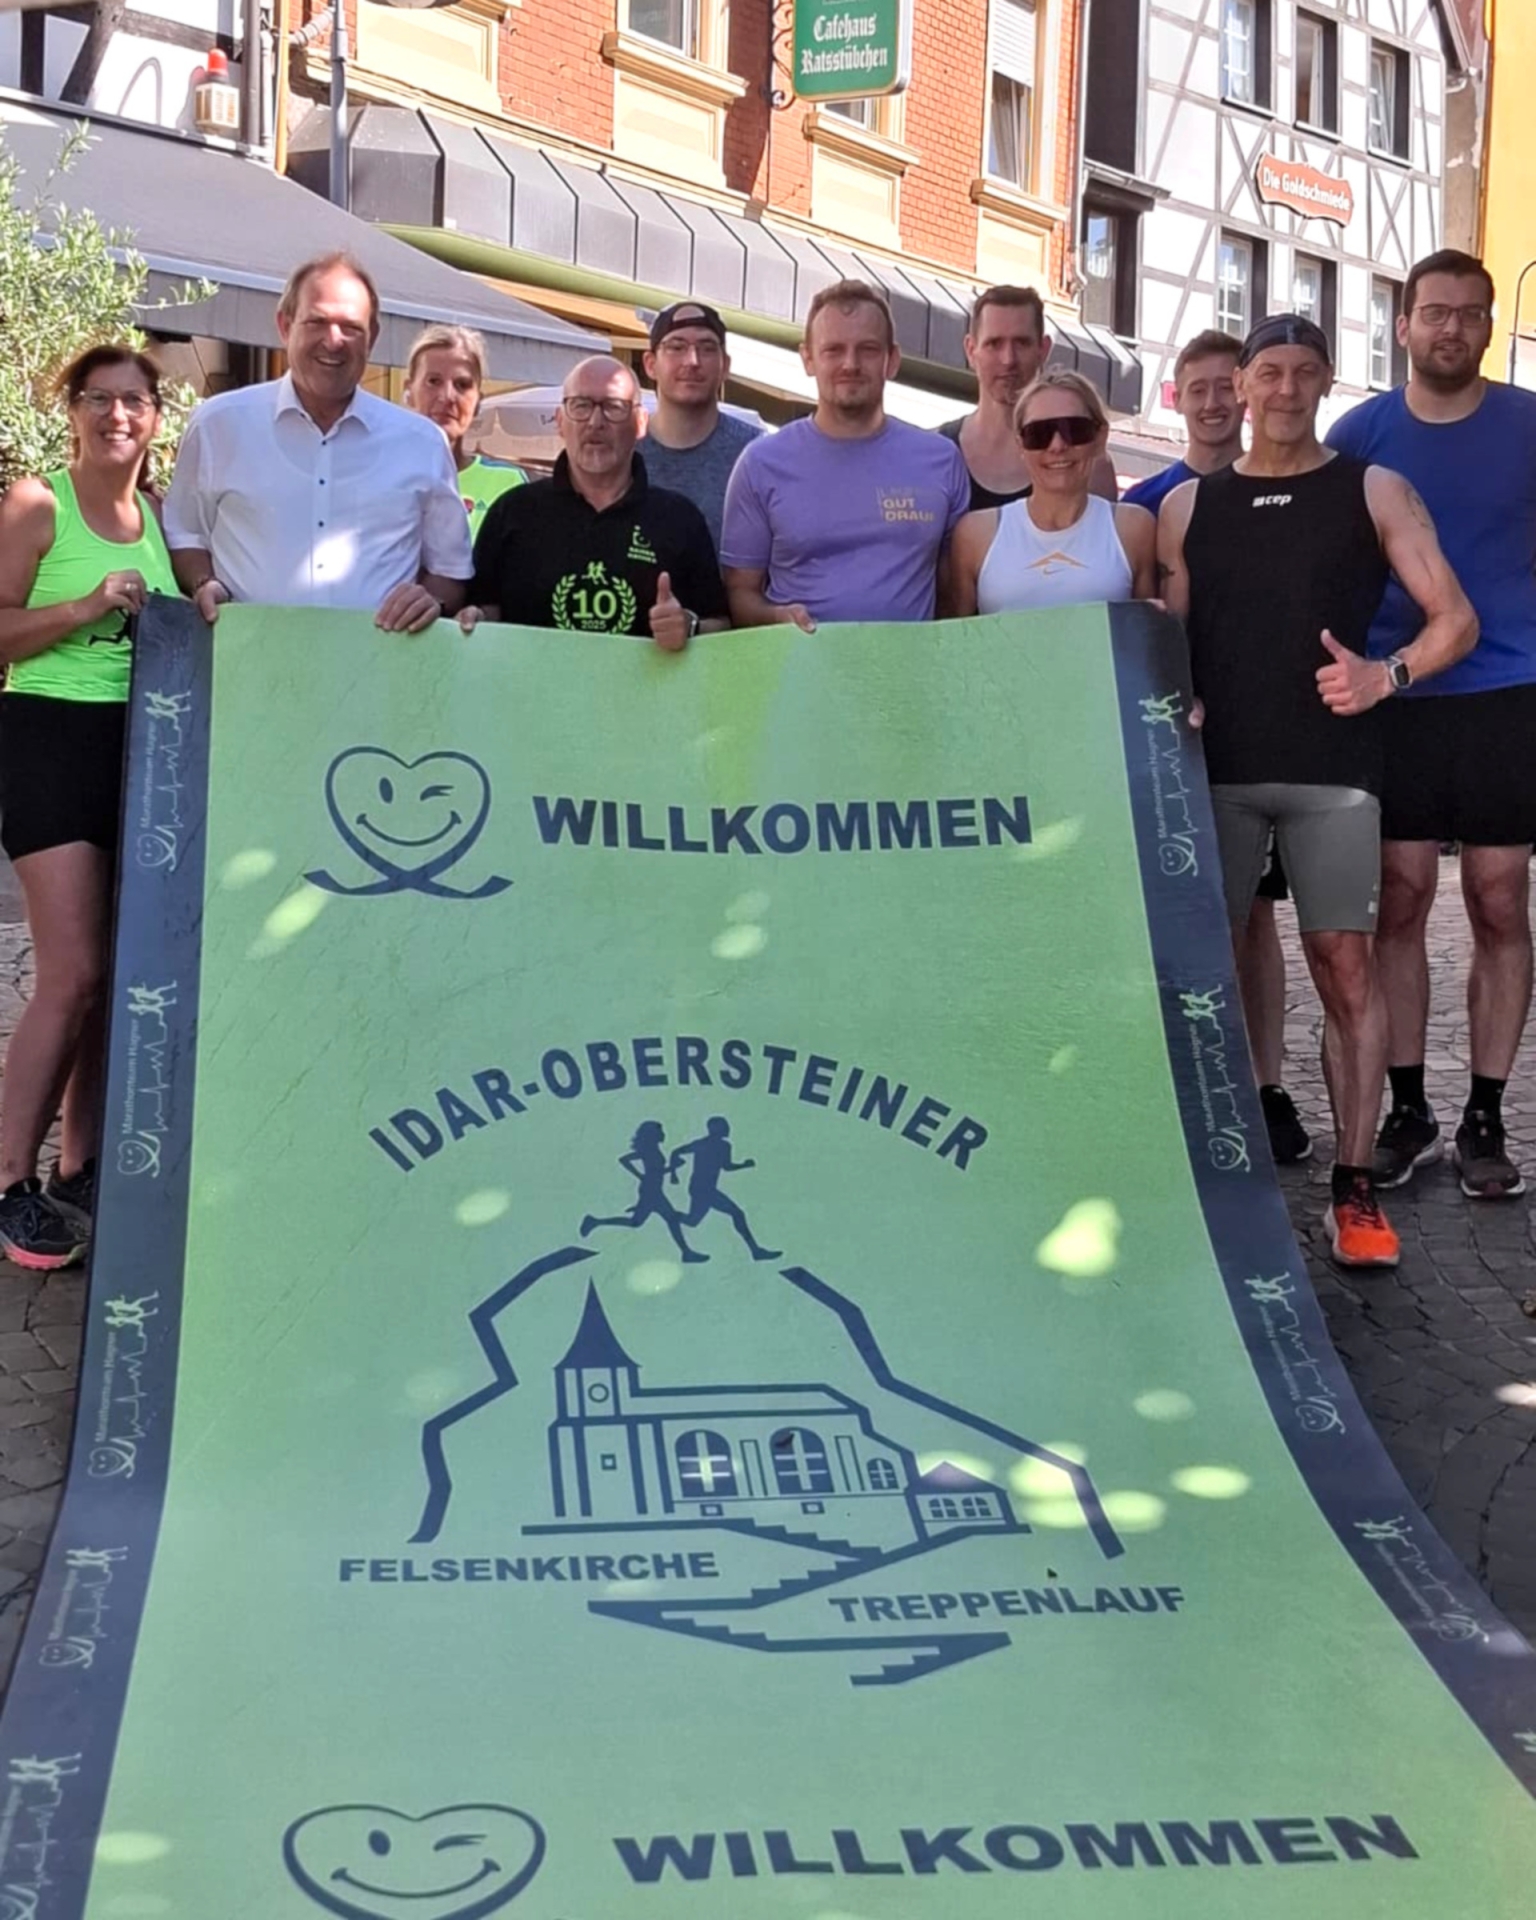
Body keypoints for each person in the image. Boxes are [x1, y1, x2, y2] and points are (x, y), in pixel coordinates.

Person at [1158, 314, 1478, 1269]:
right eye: (1269, 373)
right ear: (1241, 387)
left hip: (1334, 773)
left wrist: (1389, 677)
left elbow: (1453, 620)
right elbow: (1164, 644)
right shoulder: (1186, 509)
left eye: (1304, 373)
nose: (1285, 389)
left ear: (1326, 383)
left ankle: (1353, 1189)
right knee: (1202, 980)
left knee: (1346, 970)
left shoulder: (1371, 488)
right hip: (1217, 778)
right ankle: (1207, 1177)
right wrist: (1180, 698)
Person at [1328, 251, 1536, 1201]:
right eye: (1434, 313)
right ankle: (1408, 1106)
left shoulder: (1530, 426)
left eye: (1469, 315)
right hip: (1396, 697)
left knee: (1498, 898)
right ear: (1402, 325)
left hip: (1509, 693)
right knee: (1401, 897)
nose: (1450, 329)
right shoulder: (1360, 433)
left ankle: (1485, 1113)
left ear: (1488, 328)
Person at [0, 346, 180, 1268]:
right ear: (72, 411)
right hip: (47, 741)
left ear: (157, 417)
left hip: (140, 748)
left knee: (111, 977)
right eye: (100, 400)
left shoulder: (154, 515)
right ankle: (6, 1180)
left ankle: (80, 1166)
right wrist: (83, 606)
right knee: (69, 973)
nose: (118, 415)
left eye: (134, 402)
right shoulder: (41, 503)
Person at [1129, 329, 1309, 1167]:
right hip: (1182, 739)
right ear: (1176, 396)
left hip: (1269, 736)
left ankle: (1266, 1084)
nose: (1210, 402)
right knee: (1193, 917)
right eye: (1193, 388)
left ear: (1241, 394)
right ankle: (1193, 1084)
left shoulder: (1300, 485)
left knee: (1258, 919)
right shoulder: (1154, 502)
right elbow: (1145, 622)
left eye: (1219, 387)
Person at [164, 251, 471, 630]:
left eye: (351, 327)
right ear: (285, 325)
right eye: (317, 322)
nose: (334, 340)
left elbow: (451, 571)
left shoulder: (422, 443)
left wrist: (431, 600)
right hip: (247, 665)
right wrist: (203, 582)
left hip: (378, 672)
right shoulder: (218, 424)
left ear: (372, 337)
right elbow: (185, 532)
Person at [721, 280, 970, 630]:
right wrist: (776, 617)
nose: (850, 364)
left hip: (908, 679)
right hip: (801, 674)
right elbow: (740, 594)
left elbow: (954, 595)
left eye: (867, 349)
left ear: (892, 360)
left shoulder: (941, 461)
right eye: (833, 350)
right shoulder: (761, 464)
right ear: (808, 358)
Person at [459, 355, 729, 649]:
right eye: (581, 406)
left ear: (640, 423)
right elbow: (482, 609)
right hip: (533, 693)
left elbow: (722, 624)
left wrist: (688, 626)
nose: (596, 422)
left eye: (614, 407)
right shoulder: (512, 512)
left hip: (642, 694)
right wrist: (475, 618)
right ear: (560, 421)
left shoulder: (679, 519)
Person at [948, 368, 1156, 614]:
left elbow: (1147, 639)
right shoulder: (976, 534)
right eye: (1039, 434)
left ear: (1100, 438)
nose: (1057, 445)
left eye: (1074, 430)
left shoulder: (1134, 529)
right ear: (1021, 445)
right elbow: (956, 640)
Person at [938, 285, 1119, 510]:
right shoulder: (937, 454)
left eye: (1021, 343)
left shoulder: (1085, 463)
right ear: (971, 350)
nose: (1008, 359)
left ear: (1043, 350)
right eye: (994, 344)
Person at [638, 301, 762, 550]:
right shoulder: (623, 450)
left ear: (725, 365)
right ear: (651, 364)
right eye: (677, 347)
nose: (692, 361)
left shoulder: (757, 455)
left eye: (706, 348)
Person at [402, 322, 525, 540]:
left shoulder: (507, 483)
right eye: (433, 381)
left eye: (462, 385)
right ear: (409, 392)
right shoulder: (379, 474)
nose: (447, 396)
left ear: (478, 401)